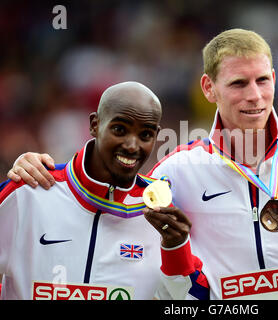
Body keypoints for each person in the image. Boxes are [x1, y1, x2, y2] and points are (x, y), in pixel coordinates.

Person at [8, 29, 278, 300]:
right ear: (208, 88)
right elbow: (177, 284)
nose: (255, 96)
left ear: (275, 79)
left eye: (263, 80)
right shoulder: (175, 172)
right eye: (238, 83)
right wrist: (42, 170)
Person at [0, 81, 201, 300]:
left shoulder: (162, 216)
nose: (132, 146)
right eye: (119, 129)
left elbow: (183, 299)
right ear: (95, 124)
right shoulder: (29, 190)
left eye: (145, 135)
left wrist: (176, 250)